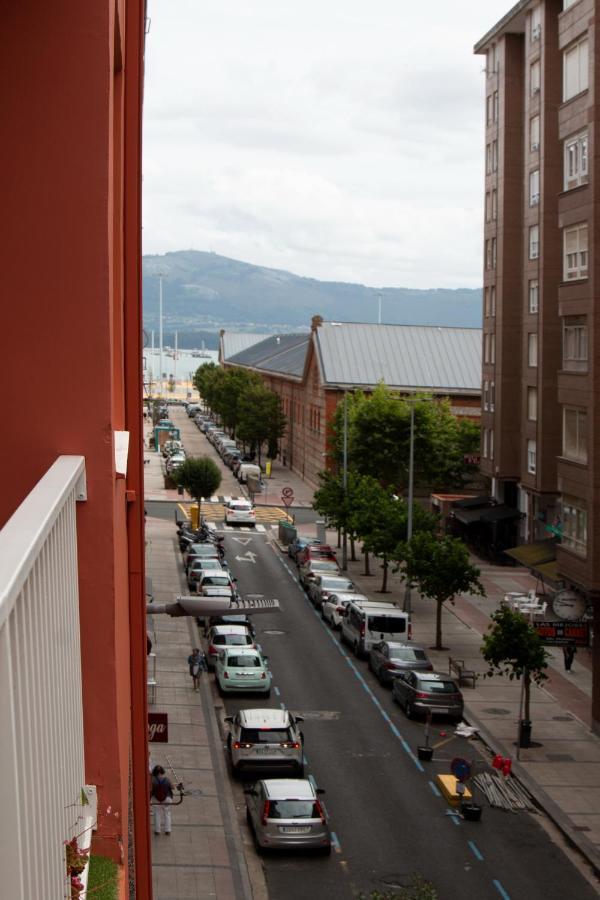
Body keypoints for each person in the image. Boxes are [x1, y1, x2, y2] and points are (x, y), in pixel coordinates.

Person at [150, 765, 174, 835]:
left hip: (156, 799)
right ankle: (168, 830)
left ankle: (157, 830)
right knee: (167, 813)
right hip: (167, 798)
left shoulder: (153, 780)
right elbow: (172, 787)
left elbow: (151, 790)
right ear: (162, 771)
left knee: (157, 814)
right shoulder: (167, 779)